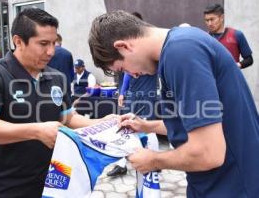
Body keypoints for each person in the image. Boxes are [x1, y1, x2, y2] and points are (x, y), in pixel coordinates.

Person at [88, 10, 259, 197]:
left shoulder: (181, 52)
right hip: (212, 183)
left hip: (232, 186)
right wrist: (146, 125)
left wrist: (154, 160)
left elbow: (209, 153)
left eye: (123, 69)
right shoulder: (175, 50)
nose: (133, 75)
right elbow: (192, 124)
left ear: (123, 47)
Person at [0, 8, 110, 198]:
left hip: (55, 182)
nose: (51, 51)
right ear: (18, 41)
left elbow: (68, 119)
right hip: (8, 187)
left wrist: (104, 122)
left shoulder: (57, 78)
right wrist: (37, 131)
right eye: (43, 44)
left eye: (54, 43)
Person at [107, 11, 159, 177]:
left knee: (148, 127)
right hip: (132, 94)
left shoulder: (149, 48)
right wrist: (123, 92)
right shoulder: (128, 52)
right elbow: (128, 73)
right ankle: (121, 163)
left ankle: (155, 161)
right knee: (125, 127)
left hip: (147, 93)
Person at [204, 3, 253, 69]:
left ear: (221, 18)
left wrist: (236, 66)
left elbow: (249, 59)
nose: (209, 23)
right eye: (207, 20)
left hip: (232, 77)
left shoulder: (237, 34)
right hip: (211, 78)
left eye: (212, 19)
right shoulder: (204, 38)